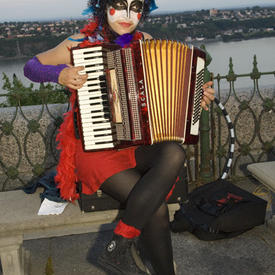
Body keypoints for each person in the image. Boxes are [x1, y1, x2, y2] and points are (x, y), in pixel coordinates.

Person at [24, 0, 215, 274]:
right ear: (103, 7)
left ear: (143, 12)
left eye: (135, 6)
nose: (127, 15)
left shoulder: (146, 42)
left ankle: (119, 244)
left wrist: (197, 96)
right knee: (156, 209)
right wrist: (60, 73)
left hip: (137, 145)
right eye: (118, 4)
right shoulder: (80, 41)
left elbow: (166, 92)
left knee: (174, 151)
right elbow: (31, 67)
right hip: (97, 151)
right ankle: (140, 258)